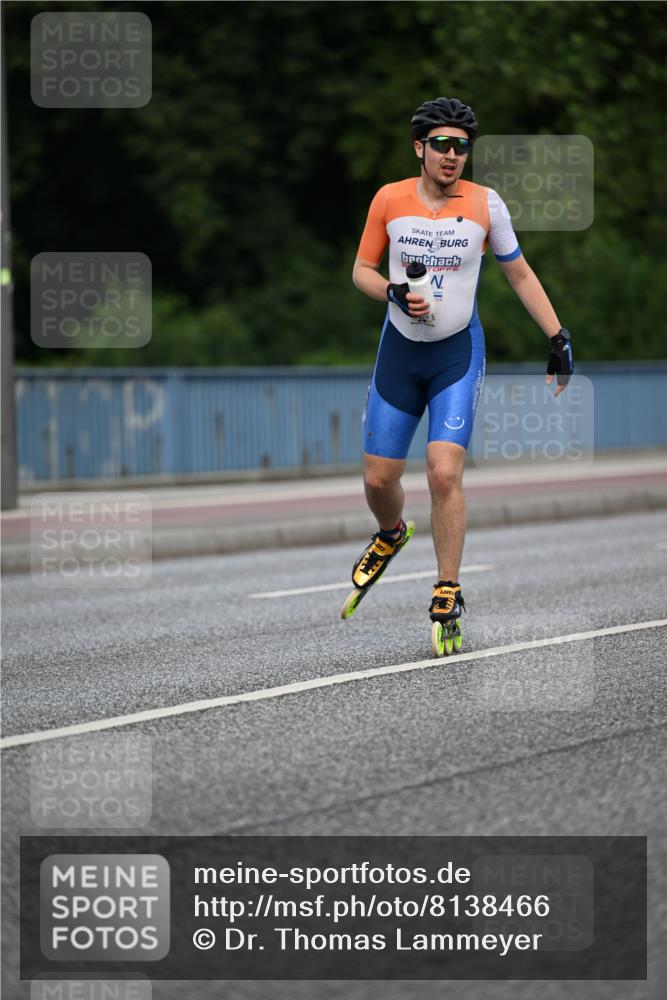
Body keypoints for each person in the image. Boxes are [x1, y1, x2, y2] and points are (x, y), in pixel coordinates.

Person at [347, 96, 573, 632]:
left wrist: (557, 336)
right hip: (400, 352)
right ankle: (391, 533)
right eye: (442, 145)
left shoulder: (486, 205)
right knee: (379, 481)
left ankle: (447, 586)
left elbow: (519, 273)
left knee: (444, 472)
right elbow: (361, 269)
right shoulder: (389, 199)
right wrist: (393, 293)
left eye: (462, 147)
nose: (452, 155)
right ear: (419, 148)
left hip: (456, 353)